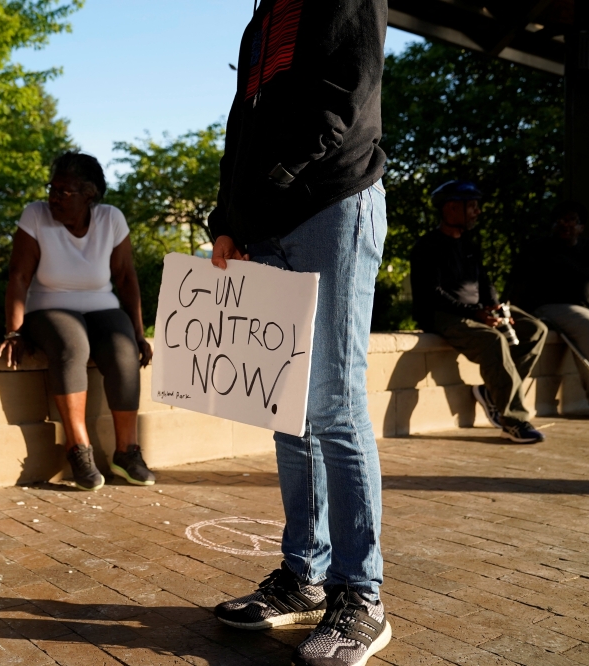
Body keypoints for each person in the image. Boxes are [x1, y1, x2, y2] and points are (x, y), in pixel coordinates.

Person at [206, 2, 391, 665]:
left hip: (333, 205)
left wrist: (272, 188)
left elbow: (344, 91)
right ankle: (304, 576)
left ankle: (360, 594)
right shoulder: (263, 20)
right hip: (268, 220)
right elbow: (243, 124)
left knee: (335, 406)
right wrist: (227, 217)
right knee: (289, 407)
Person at [0, 152, 154, 491]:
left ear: (90, 194)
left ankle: (127, 452)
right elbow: (19, 275)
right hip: (48, 307)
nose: (54, 197)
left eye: (65, 192)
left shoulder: (111, 219)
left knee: (123, 346)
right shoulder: (36, 215)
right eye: (52, 188)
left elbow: (126, 278)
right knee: (72, 345)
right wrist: (13, 330)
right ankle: (78, 448)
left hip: (101, 305)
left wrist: (139, 334)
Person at [410, 180, 548, 443]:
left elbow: (483, 281)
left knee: (535, 330)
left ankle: (491, 391)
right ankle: (514, 420)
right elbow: (433, 294)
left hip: (475, 311)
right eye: (472, 206)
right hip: (443, 315)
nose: (477, 211)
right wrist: (475, 313)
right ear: (451, 208)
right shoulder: (427, 247)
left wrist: (494, 305)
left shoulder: (469, 245)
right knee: (494, 341)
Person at [511, 201, 589, 419]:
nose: (564, 224)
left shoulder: (588, 247)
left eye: (571, 220)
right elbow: (521, 287)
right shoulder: (539, 248)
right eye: (560, 219)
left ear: (581, 226)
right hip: (555, 307)